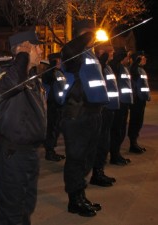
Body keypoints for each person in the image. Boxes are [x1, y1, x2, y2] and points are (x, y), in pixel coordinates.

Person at [0, 29, 46, 225]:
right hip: (13, 154)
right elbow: (12, 84)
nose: (41, 51)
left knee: (26, 205)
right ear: (23, 50)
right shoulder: (5, 71)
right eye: (36, 47)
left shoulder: (32, 76)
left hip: (30, 153)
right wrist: (22, 55)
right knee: (13, 210)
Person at [60, 20, 109, 217]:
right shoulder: (74, 53)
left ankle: (81, 194)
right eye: (92, 34)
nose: (95, 38)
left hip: (93, 112)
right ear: (84, 35)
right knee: (77, 158)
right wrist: (88, 36)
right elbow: (70, 51)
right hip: (78, 113)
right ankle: (74, 200)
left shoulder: (89, 54)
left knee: (88, 157)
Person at [90, 43, 119, 187]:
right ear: (103, 52)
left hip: (110, 109)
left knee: (105, 142)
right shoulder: (99, 66)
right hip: (103, 110)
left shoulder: (107, 67)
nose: (113, 53)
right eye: (110, 51)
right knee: (101, 143)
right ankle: (97, 174)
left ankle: (100, 170)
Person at [109, 47, 133, 165]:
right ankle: (115, 155)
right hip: (119, 104)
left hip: (123, 103)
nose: (129, 59)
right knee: (117, 130)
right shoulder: (116, 67)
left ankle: (116, 153)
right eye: (127, 56)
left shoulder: (123, 68)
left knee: (120, 130)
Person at [42, 52, 66, 161]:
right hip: (52, 104)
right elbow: (47, 79)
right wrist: (52, 67)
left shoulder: (59, 72)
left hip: (59, 104)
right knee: (51, 129)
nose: (61, 62)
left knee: (57, 129)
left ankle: (52, 150)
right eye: (59, 60)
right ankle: (49, 152)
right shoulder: (49, 72)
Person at [128, 51, 150, 153]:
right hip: (137, 100)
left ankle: (135, 142)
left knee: (138, 122)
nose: (145, 59)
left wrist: (147, 96)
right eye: (142, 58)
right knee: (135, 121)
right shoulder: (135, 69)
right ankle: (133, 144)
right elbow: (132, 70)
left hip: (141, 100)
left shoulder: (140, 70)